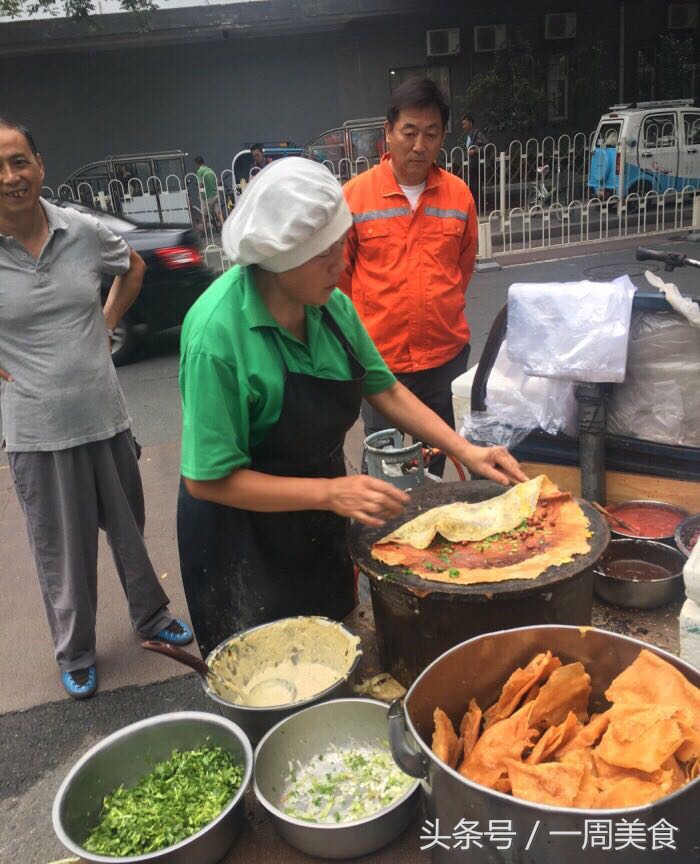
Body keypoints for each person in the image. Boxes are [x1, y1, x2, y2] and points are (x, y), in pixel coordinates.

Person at [176, 157, 527, 657]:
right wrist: (331, 492)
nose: (342, 265)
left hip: (318, 522)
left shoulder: (330, 306)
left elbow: (386, 390)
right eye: (326, 255)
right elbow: (206, 479)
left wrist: (466, 450)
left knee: (335, 653)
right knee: (267, 679)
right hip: (240, 540)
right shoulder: (217, 335)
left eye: (342, 246)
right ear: (280, 255)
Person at [0, 118, 193, 699]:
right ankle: (76, 649)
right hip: (36, 430)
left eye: (19, 161)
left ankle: (152, 618)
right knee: (63, 550)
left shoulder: (80, 231)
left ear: (40, 164)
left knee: (130, 532)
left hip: (104, 416)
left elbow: (131, 267)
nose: (10, 177)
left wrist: (106, 322)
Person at [339, 78, 478, 477]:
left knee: (434, 463)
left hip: (444, 360)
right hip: (380, 361)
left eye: (431, 134)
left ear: (442, 137)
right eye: (410, 132)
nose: (420, 145)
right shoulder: (355, 197)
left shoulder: (458, 196)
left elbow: (462, 268)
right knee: (381, 467)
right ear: (388, 132)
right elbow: (340, 281)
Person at [461, 113, 489, 211]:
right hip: (471, 164)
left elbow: (487, 146)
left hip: (476, 164)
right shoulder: (469, 135)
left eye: (465, 124)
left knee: (476, 186)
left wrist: (475, 151)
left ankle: (479, 206)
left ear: (471, 123)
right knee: (471, 186)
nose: (463, 126)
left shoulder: (478, 134)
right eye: (463, 124)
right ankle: (474, 206)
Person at [194, 155, 222, 232]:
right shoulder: (210, 169)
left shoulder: (200, 171)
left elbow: (201, 183)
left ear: (197, 163)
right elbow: (217, 180)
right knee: (217, 213)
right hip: (215, 194)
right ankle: (225, 227)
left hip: (207, 196)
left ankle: (204, 232)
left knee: (204, 215)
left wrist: (199, 194)